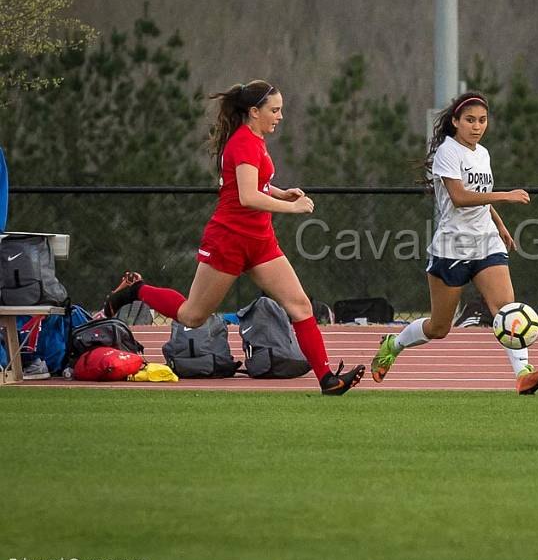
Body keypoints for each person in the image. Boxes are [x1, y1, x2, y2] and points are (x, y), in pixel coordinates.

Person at [102, 80, 365, 395]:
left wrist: (281, 191)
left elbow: (258, 184)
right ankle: (136, 290)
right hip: (228, 241)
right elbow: (247, 197)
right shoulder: (243, 142)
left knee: (300, 306)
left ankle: (327, 380)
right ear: (254, 112)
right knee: (192, 315)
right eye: (275, 110)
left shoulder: (256, 139)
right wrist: (291, 207)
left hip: (260, 241)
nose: (280, 116)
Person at [370, 91, 538, 394]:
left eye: (482, 120)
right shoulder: (449, 151)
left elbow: (479, 198)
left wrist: (500, 225)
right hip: (452, 248)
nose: (477, 126)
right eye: (470, 120)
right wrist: (505, 195)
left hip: (486, 243)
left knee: (505, 309)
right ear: (455, 121)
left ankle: (523, 373)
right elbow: (459, 197)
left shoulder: (482, 153)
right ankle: (394, 343)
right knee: (439, 328)